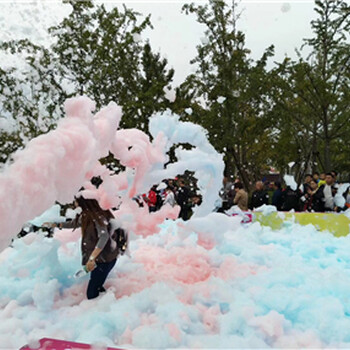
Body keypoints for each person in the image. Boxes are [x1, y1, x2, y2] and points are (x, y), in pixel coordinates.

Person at [46, 196, 120, 300]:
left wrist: (92, 258)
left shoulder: (98, 216)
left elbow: (104, 236)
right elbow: (74, 223)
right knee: (97, 286)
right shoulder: (88, 215)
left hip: (105, 260)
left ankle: (102, 309)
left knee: (92, 293)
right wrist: (56, 224)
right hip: (103, 259)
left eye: (76, 201)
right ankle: (104, 303)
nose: (74, 203)